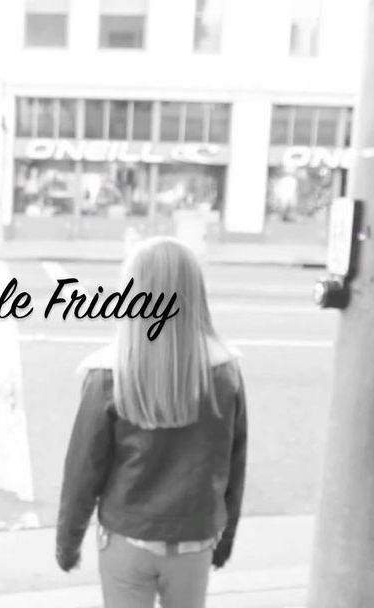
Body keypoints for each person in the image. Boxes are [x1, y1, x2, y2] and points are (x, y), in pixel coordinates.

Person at [55, 236, 248, 608]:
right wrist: (225, 538)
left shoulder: (108, 375)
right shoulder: (225, 373)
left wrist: (68, 542)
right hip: (194, 539)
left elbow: (83, 470)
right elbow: (233, 464)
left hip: (127, 536)